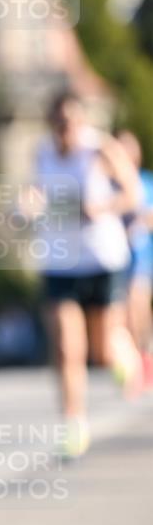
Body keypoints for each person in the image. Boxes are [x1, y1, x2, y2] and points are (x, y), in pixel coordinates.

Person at [33, 92, 140, 456]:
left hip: (102, 258)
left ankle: (125, 352)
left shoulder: (101, 149)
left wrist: (102, 207)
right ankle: (73, 424)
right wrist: (24, 207)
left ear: (83, 121)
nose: (68, 130)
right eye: (61, 124)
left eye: (74, 122)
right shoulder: (42, 151)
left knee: (103, 351)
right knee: (66, 346)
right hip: (59, 261)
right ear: (51, 124)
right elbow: (34, 192)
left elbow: (133, 194)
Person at [114, 128, 153, 386]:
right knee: (121, 316)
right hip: (115, 259)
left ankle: (145, 357)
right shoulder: (107, 184)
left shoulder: (146, 181)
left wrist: (142, 221)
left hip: (140, 257)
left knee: (138, 309)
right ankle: (130, 367)